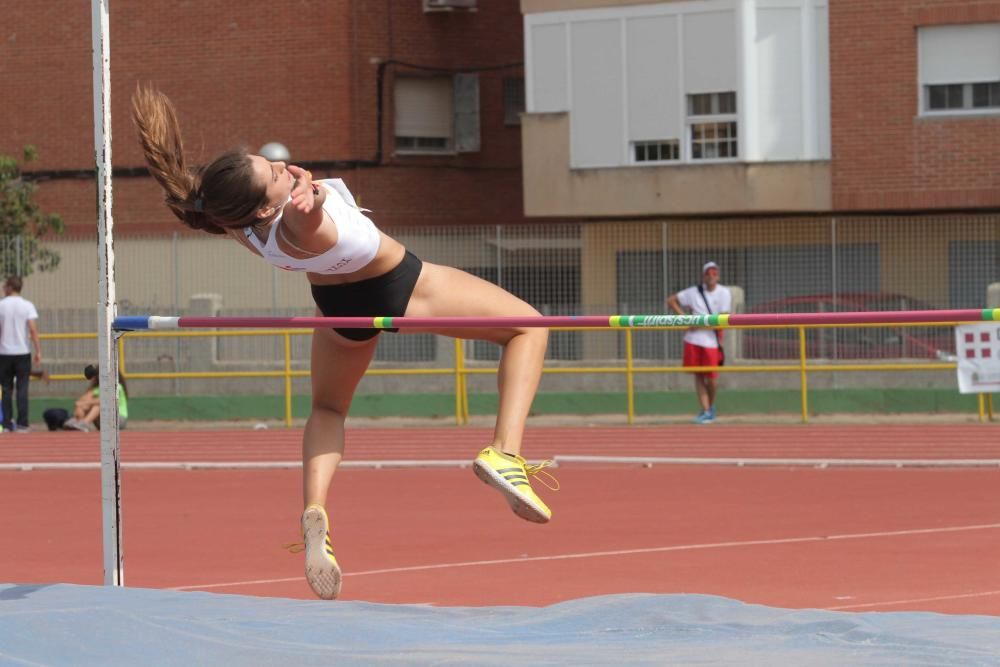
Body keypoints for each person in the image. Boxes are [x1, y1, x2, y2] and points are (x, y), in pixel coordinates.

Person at [131, 85, 553, 600]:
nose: (278, 165)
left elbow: (223, 198)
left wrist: (301, 189)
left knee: (328, 408)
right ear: (266, 208)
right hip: (405, 287)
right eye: (271, 173)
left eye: (266, 161)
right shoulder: (295, 217)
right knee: (529, 326)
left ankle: (315, 512)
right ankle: (505, 452)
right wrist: (314, 197)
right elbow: (304, 216)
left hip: (338, 311)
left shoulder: (239, 225)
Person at [666, 261, 732, 424]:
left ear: (718, 275)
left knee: (712, 378)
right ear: (703, 276)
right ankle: (706, 410)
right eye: (708, 273)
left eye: (714, 273)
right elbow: (671, 300)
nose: (711, 276)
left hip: (712, 342)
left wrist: (698, 324)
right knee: (698, 375)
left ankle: (710, 407)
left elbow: (722, 321)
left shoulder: (724, 293)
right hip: (693, 340)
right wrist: (685, 319)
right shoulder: (694, 292)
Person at [0, 276, 42, 433]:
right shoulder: (27, 305)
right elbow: (32, 329)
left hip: (4, 353)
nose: (3, 289)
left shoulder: (1, 305)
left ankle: (6, 424)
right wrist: (38, 351)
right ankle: (23, 423)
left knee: (6, 389)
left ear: (10, 287)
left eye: (5, 286)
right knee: (22, 388)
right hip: (22, 352)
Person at [62, 364, 129, 432]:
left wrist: (84, 403)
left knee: (99, 405)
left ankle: (84, 423)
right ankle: (77, 421)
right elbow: (82, 400)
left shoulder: (117, 386)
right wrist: (81, 404)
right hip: (102, 421)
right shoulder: (97, 389)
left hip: (118, 419)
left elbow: (105, 400)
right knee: (83, 405)